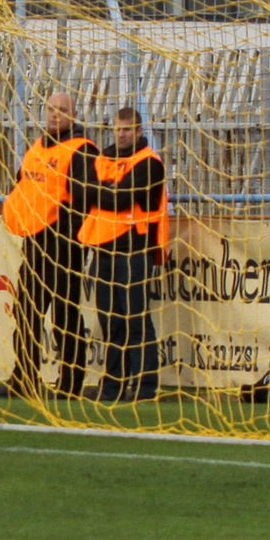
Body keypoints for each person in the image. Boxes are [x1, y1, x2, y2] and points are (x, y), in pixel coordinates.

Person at [0, 91, 99, 400]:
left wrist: (69, 235)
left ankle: (70, 384)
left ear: (73, 115)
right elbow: (23, 188)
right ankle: (24, 377)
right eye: (51, 109)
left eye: (62, 109)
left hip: (65, 243)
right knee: (26, 310)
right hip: (35, 241)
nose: (56, 114)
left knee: (65, 314)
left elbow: (85, 200)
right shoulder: (36, 149)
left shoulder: (81, 150)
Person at [79, 107, 166, 402]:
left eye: (127, 129)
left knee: (136, 319)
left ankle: (144, 386)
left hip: (134, 249)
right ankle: (113, 386)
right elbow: (82, 191)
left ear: (139, 131)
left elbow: (122, 199)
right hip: (103, 248)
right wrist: (108, 190)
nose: (122, 134)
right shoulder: (103, 158)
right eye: (118, 128)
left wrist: (104, 191)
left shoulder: (149, 163)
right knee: (110, 321)